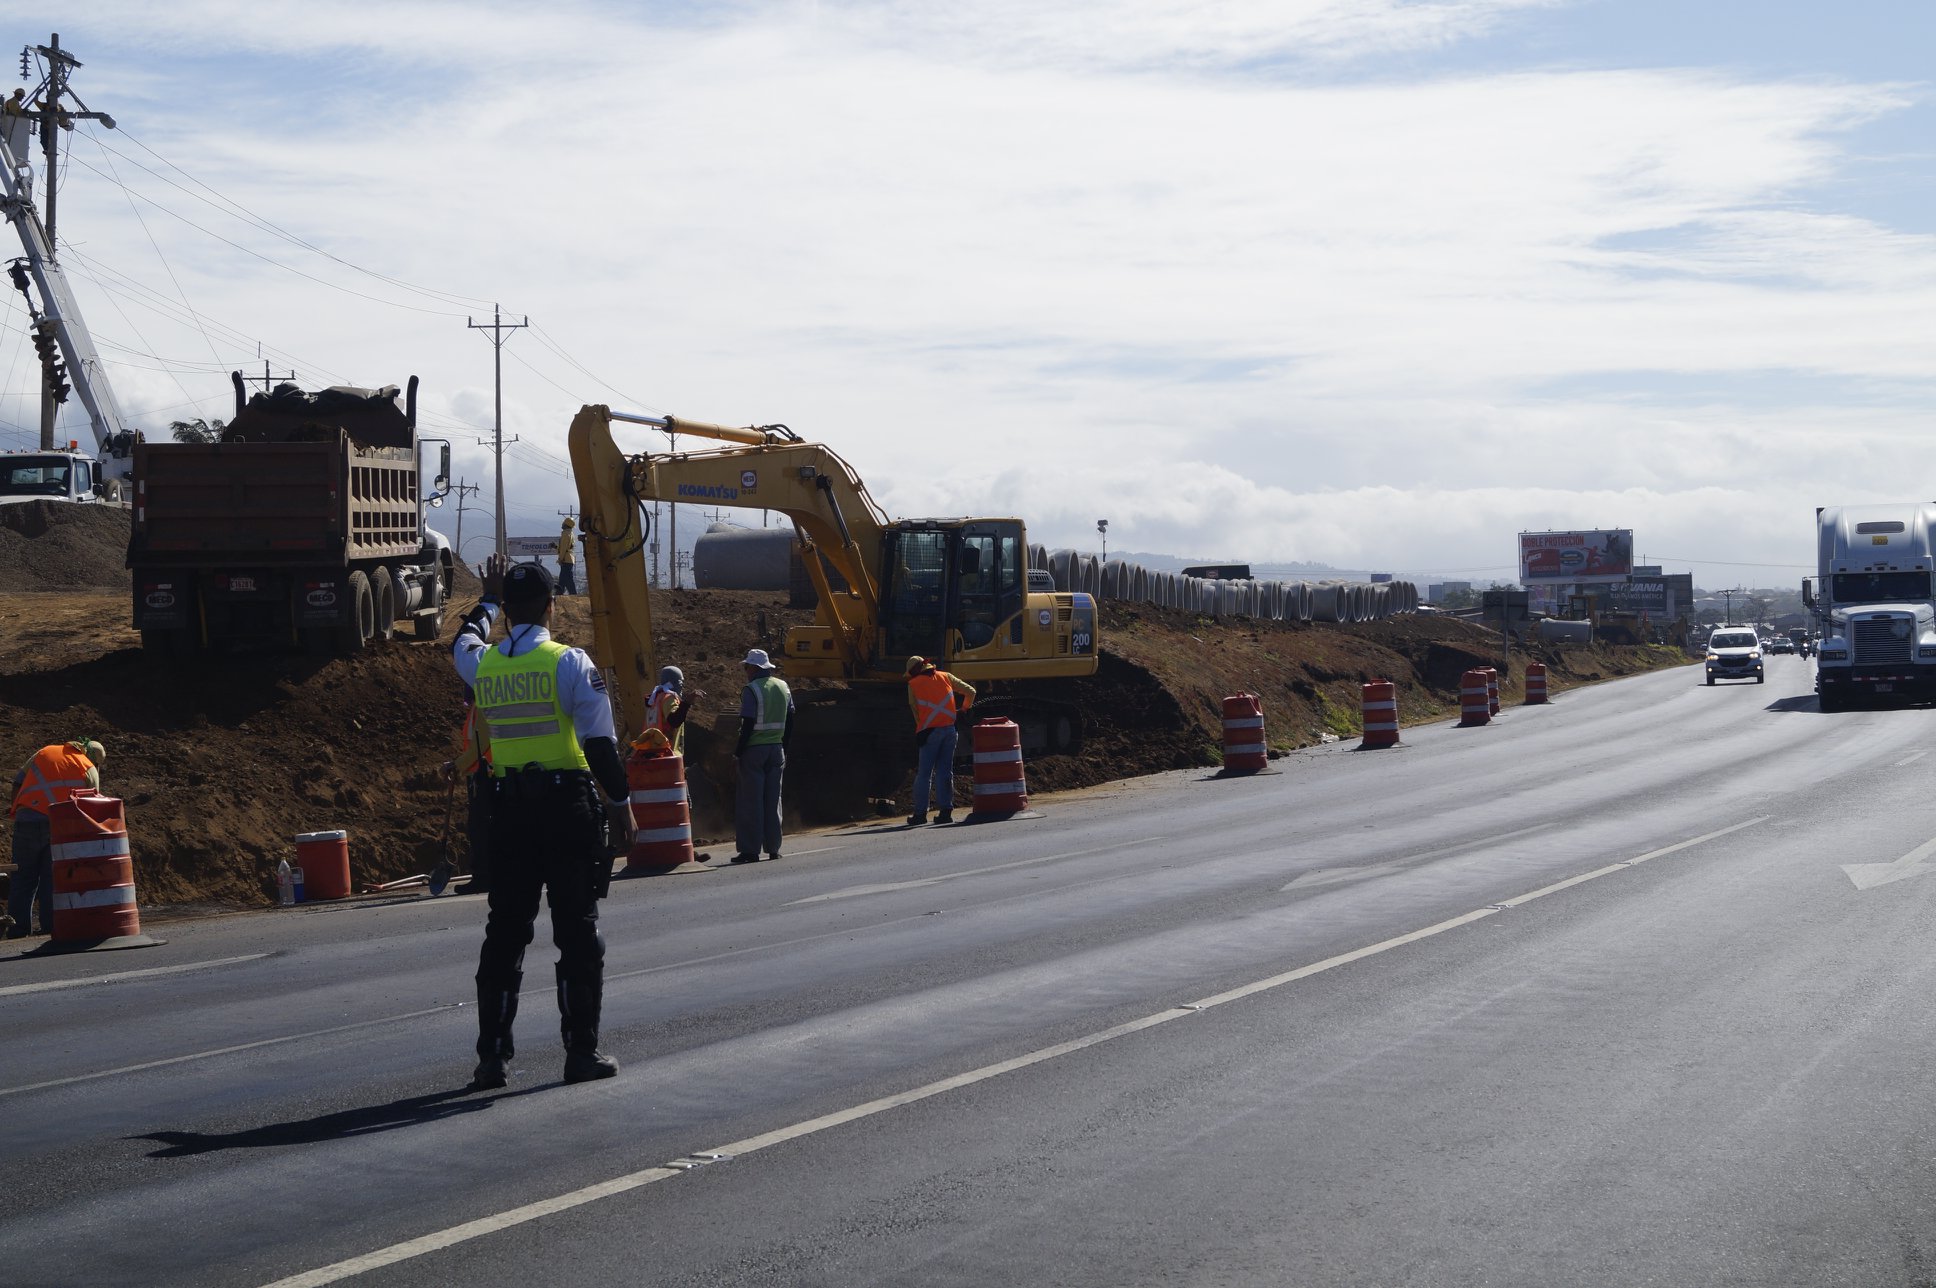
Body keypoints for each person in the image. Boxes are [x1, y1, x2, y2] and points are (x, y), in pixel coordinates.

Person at [452, 554, 632, 1089]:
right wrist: (623, 810)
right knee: (578, 932)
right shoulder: (570, 663)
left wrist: (485, 600)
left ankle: (492, 1060)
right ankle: (581, 1053)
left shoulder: (482, 664)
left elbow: (463, 637)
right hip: (565, 808)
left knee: (504, 933)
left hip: (507, 812)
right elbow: (600, 748)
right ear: (552, 607)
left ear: (508, 610)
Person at [8, 739, 104, 938]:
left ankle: (17, 929)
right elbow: (90, 807)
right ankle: (50, 927)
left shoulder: (45, 752)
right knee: (51, 878)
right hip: (58, 826)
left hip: (27, 820)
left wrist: (18, 809)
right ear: (94, 760)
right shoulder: (88, 768)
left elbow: (17, 782)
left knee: (23, 877)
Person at [732, 648, 792, 864]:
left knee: (751, 801)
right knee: (773, 799)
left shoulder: (752, 690)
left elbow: (747, 724)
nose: (745, 671)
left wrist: (738, 752)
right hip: (776, 749)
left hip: (754, 751)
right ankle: (774, 848)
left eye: (747, 666)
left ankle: (750, 850)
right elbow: (791, 718)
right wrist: (784, 745)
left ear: (755, 668)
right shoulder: (783, 687)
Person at [905, 656, 975, 826]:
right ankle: (946, 812)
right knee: (945, 771)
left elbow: (916, 711)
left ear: (913, 672)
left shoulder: (913, 685)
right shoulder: (946, 676)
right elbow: (971, 691)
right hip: (950, 731)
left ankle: (920, 814)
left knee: (924, 774)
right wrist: (964, 709)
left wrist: (922, 729)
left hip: (929, 734)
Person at [450, 690, 493, 894]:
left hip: (486, 775)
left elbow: (482, 744)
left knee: (481, 828)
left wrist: (458, 765)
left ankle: (484, 876)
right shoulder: (476, 707)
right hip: (478, 773)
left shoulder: (483, 706)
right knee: (479, 828)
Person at [642, 665, 702, 757]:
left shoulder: (655, 699)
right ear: (677, 683)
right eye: (681, 683)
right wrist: (687, 703)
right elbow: (674, 721)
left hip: (652, 752)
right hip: (665, 754)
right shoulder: (668, 698)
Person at [555, 516, 578, 596]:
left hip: (566, 559)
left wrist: (560, 559)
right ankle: (559, 594)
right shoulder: (570, 533)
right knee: (563, 579)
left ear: (566, 524)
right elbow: (566, 547)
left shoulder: (565, 534)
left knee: (567, 579)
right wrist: (555, 547)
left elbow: (564, 548)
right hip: (569, 559)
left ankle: (573, 594)